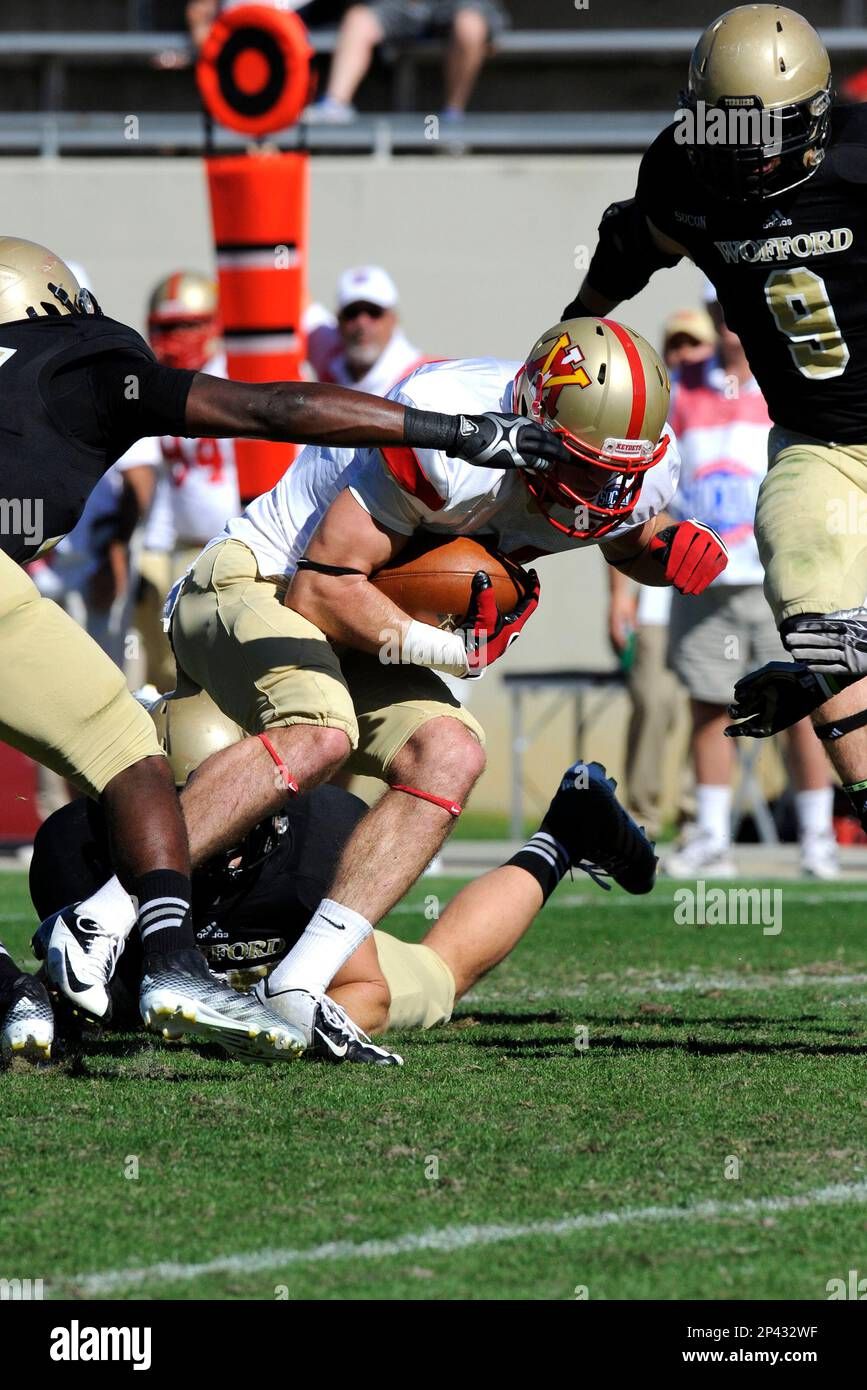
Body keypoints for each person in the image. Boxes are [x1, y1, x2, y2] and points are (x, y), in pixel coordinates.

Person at [46, 316, 728, 1065]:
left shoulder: (617, 474)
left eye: (612, 474)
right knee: (321, 728)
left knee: (452, 752)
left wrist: (664, 554)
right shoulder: (451, 442)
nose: (598, 491)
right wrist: (446, 648)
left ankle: (299, 985)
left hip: (350, 613)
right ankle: (105, 913)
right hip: (257, 580)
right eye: (582, 467)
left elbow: (623, 531)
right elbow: (321, 588)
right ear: (533, 415)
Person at [0, 234, 562, 1066]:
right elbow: (271, 410)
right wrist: (450, 431)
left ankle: (20, 988)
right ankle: (164, 958)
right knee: (131, 758)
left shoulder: (71, 850)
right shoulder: (85, 352)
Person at [560, 5, 867, 861]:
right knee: (814, 608)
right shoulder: (682, 171)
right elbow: (633, 243)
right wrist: (576, 321)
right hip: (819, 442)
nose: (742, 153)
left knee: (832, 650)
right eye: (724, 130)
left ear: (813, 115)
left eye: (761, 132)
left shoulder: (857, 157)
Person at [28, 688, 658, 1054]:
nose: (205, 831)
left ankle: (564, 834)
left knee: (440, 976)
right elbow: (74, 996)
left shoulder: (313, 844)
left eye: (221, 808)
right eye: (177, 810)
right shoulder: (74, 851)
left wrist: (242, 1015)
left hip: (309, 961)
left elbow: (369, 999)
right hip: (236, 964)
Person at [664, 292, 837, 879]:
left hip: (778, 576)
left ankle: (818, 837)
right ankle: (712, 838)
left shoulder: (785, 377)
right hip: (705, 576)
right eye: (718, 311)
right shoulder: (682, 383)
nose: (729, 322)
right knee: (710, 707)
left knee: (806, 707)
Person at [606, 306, 716, 836]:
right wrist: (620, 596)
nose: (683, 355)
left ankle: (701, 816)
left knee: (710, 699)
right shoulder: (647, 422)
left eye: (694, 345)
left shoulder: (728, 404)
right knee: (653, 702)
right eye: (674, 345)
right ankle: (643, 816)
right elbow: (618, 521)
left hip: (706, 582)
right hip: (654, 590)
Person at [135, 271, 242, 692]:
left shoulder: (238, 375)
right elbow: (164, 478)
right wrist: (152, 546)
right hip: (176, 540)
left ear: (213, 324)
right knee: (162, 660)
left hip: (234, 539)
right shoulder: (153, 382)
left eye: (186, 325)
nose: (174, 338)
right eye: (164, 327)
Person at [302, 1, 509, 127]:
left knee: (470, 26)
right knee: (358, 19)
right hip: (400, 5)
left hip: (459, 5)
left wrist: (488, 31)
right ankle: (335, 105)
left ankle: (452, 115)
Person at [305, 265, 427, 396]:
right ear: (339, 321)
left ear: (393, 319)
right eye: (352, 313)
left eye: (373, 312)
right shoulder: (327, 350)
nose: (362, 323)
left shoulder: (421, 379)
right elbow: (293, 296)